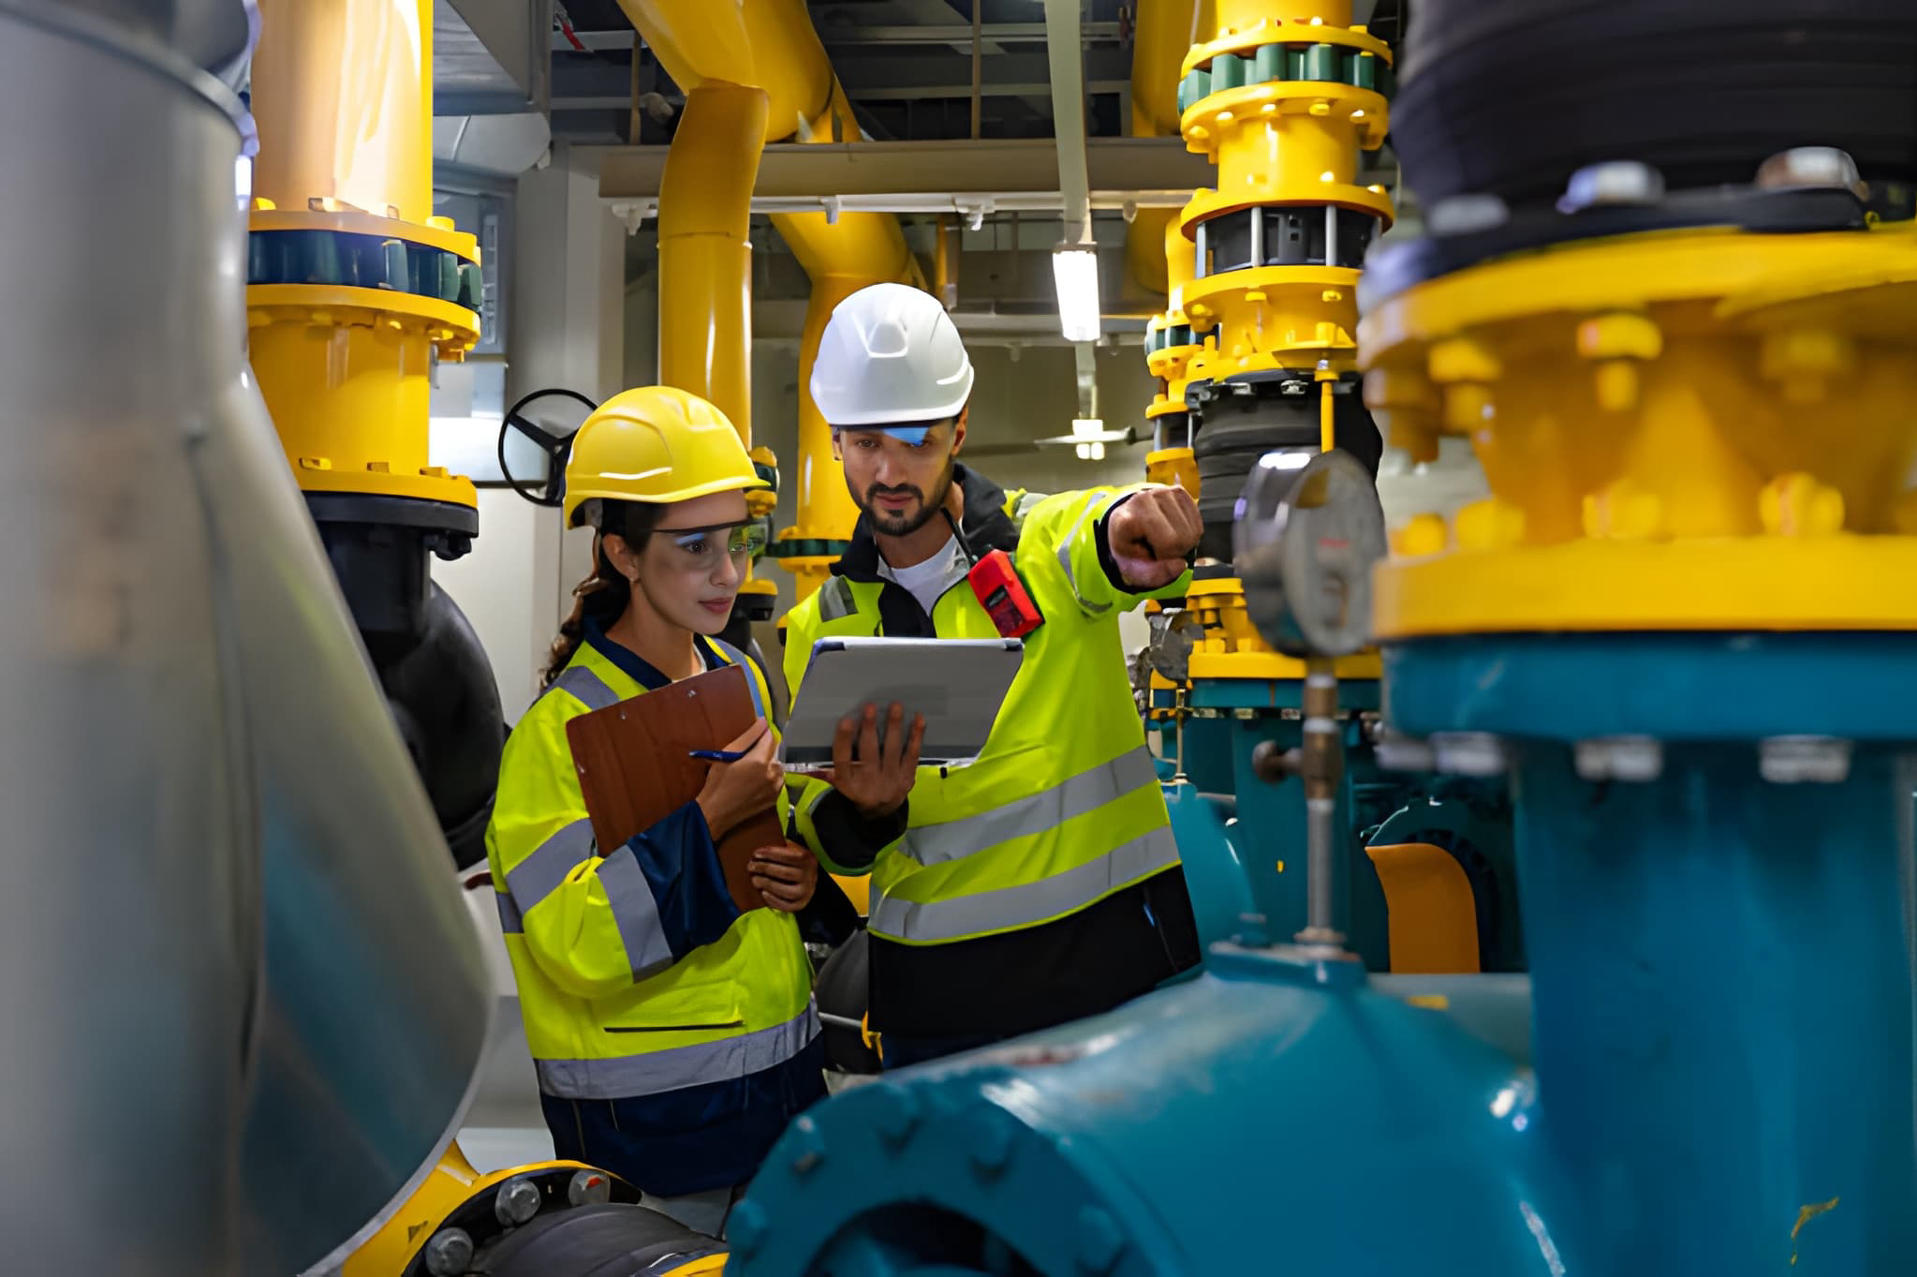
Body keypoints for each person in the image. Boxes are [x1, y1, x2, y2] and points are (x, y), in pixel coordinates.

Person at [486, 386, 918, 1235]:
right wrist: (706, 819)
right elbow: (577, 940)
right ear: (622, 552)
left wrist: (801, 874)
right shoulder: (555, 735)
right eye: (695, 548)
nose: (729, 573)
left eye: (736, 541)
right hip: (654, 1135)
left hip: (780, 1100)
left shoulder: (739, 676)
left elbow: (775, 842)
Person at [784, 282, 1207, 1069]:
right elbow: (825, 836)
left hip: (1103, 970)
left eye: (916, 439)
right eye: (867, 442)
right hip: (932, 998)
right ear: (835, 439)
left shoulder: (1041, 544)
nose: (889, 469)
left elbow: (1104, 533)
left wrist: (1134, 527)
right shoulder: (820, 626)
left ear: (959, 428)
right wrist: (866, 810)